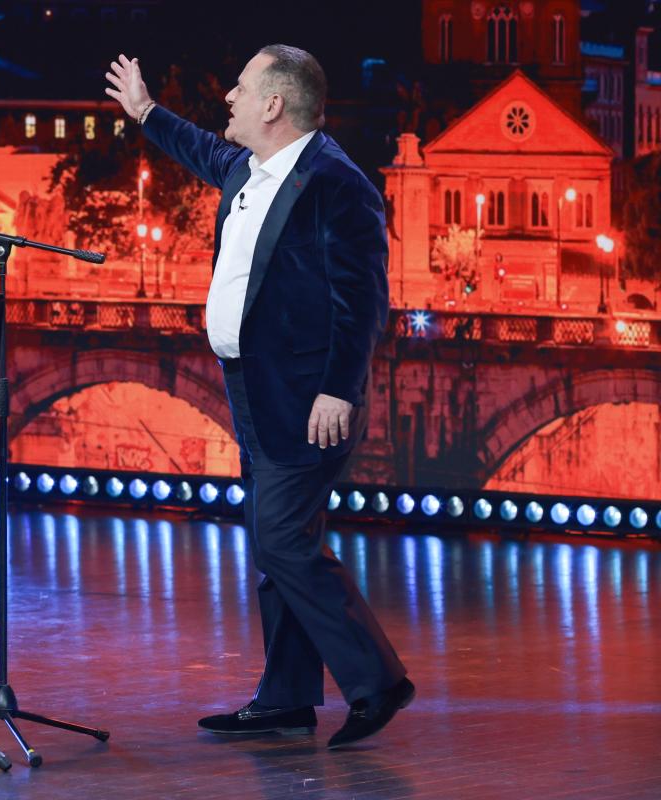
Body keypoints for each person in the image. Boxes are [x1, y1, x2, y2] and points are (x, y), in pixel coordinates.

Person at [105, 46, 412, 749]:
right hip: (251, 385)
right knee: (275, 546)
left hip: (308, 399)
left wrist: (339, 389)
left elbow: (362, 301)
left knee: (281, 539)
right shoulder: (248, 167)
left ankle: (377, 681)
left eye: (241, 88)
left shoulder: (336, 184)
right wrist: (146, 112)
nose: (230, 99)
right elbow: (198, 147)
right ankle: (287, 698)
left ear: (273, 104)